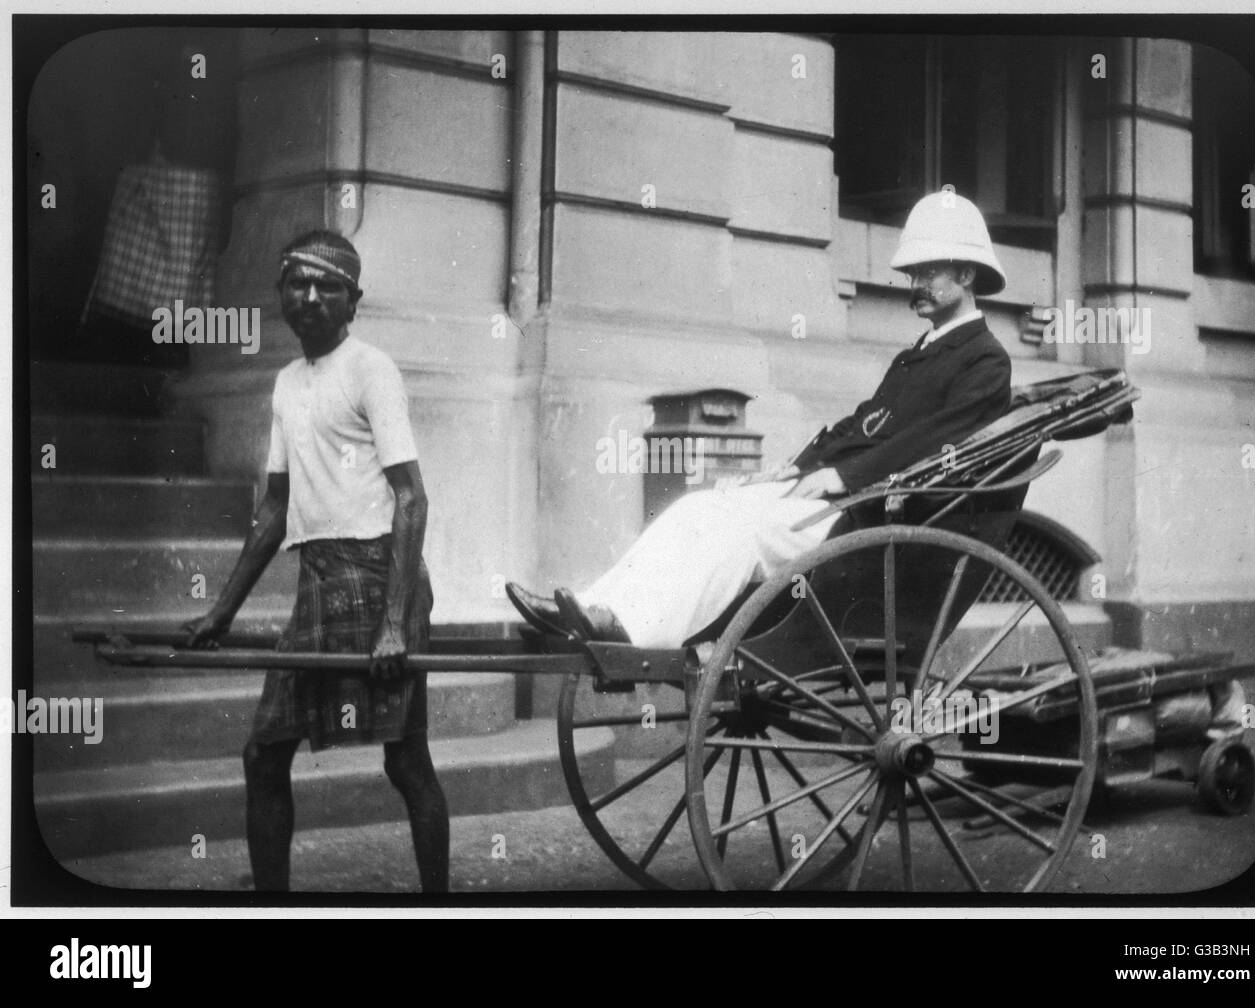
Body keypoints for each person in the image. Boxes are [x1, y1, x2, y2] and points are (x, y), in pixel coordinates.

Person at [508, 192, 1014, 650]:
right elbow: (864, 423)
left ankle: (634, 632)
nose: (915, 284)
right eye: (913, 272)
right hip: (842, 499)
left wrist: (844, 476)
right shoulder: (918, 353)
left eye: (928, 272)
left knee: (743, 534)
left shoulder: (984, 361)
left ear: (966, 275)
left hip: (877, 518)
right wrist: (797, 467)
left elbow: (938, 442)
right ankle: (596, 609)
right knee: (699, 507)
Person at [183, 230, 449, 892]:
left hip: (381, 575)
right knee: (264, 756)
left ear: (352, 301)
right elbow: (274, 511)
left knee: (406, 761)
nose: (310, 297)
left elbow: (412, 499)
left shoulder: (371, 369)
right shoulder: (285, 383)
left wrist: (395, 622)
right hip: (318, 583)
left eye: (328, 285)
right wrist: (219, 613)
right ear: (280, 295)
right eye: (297, 283)